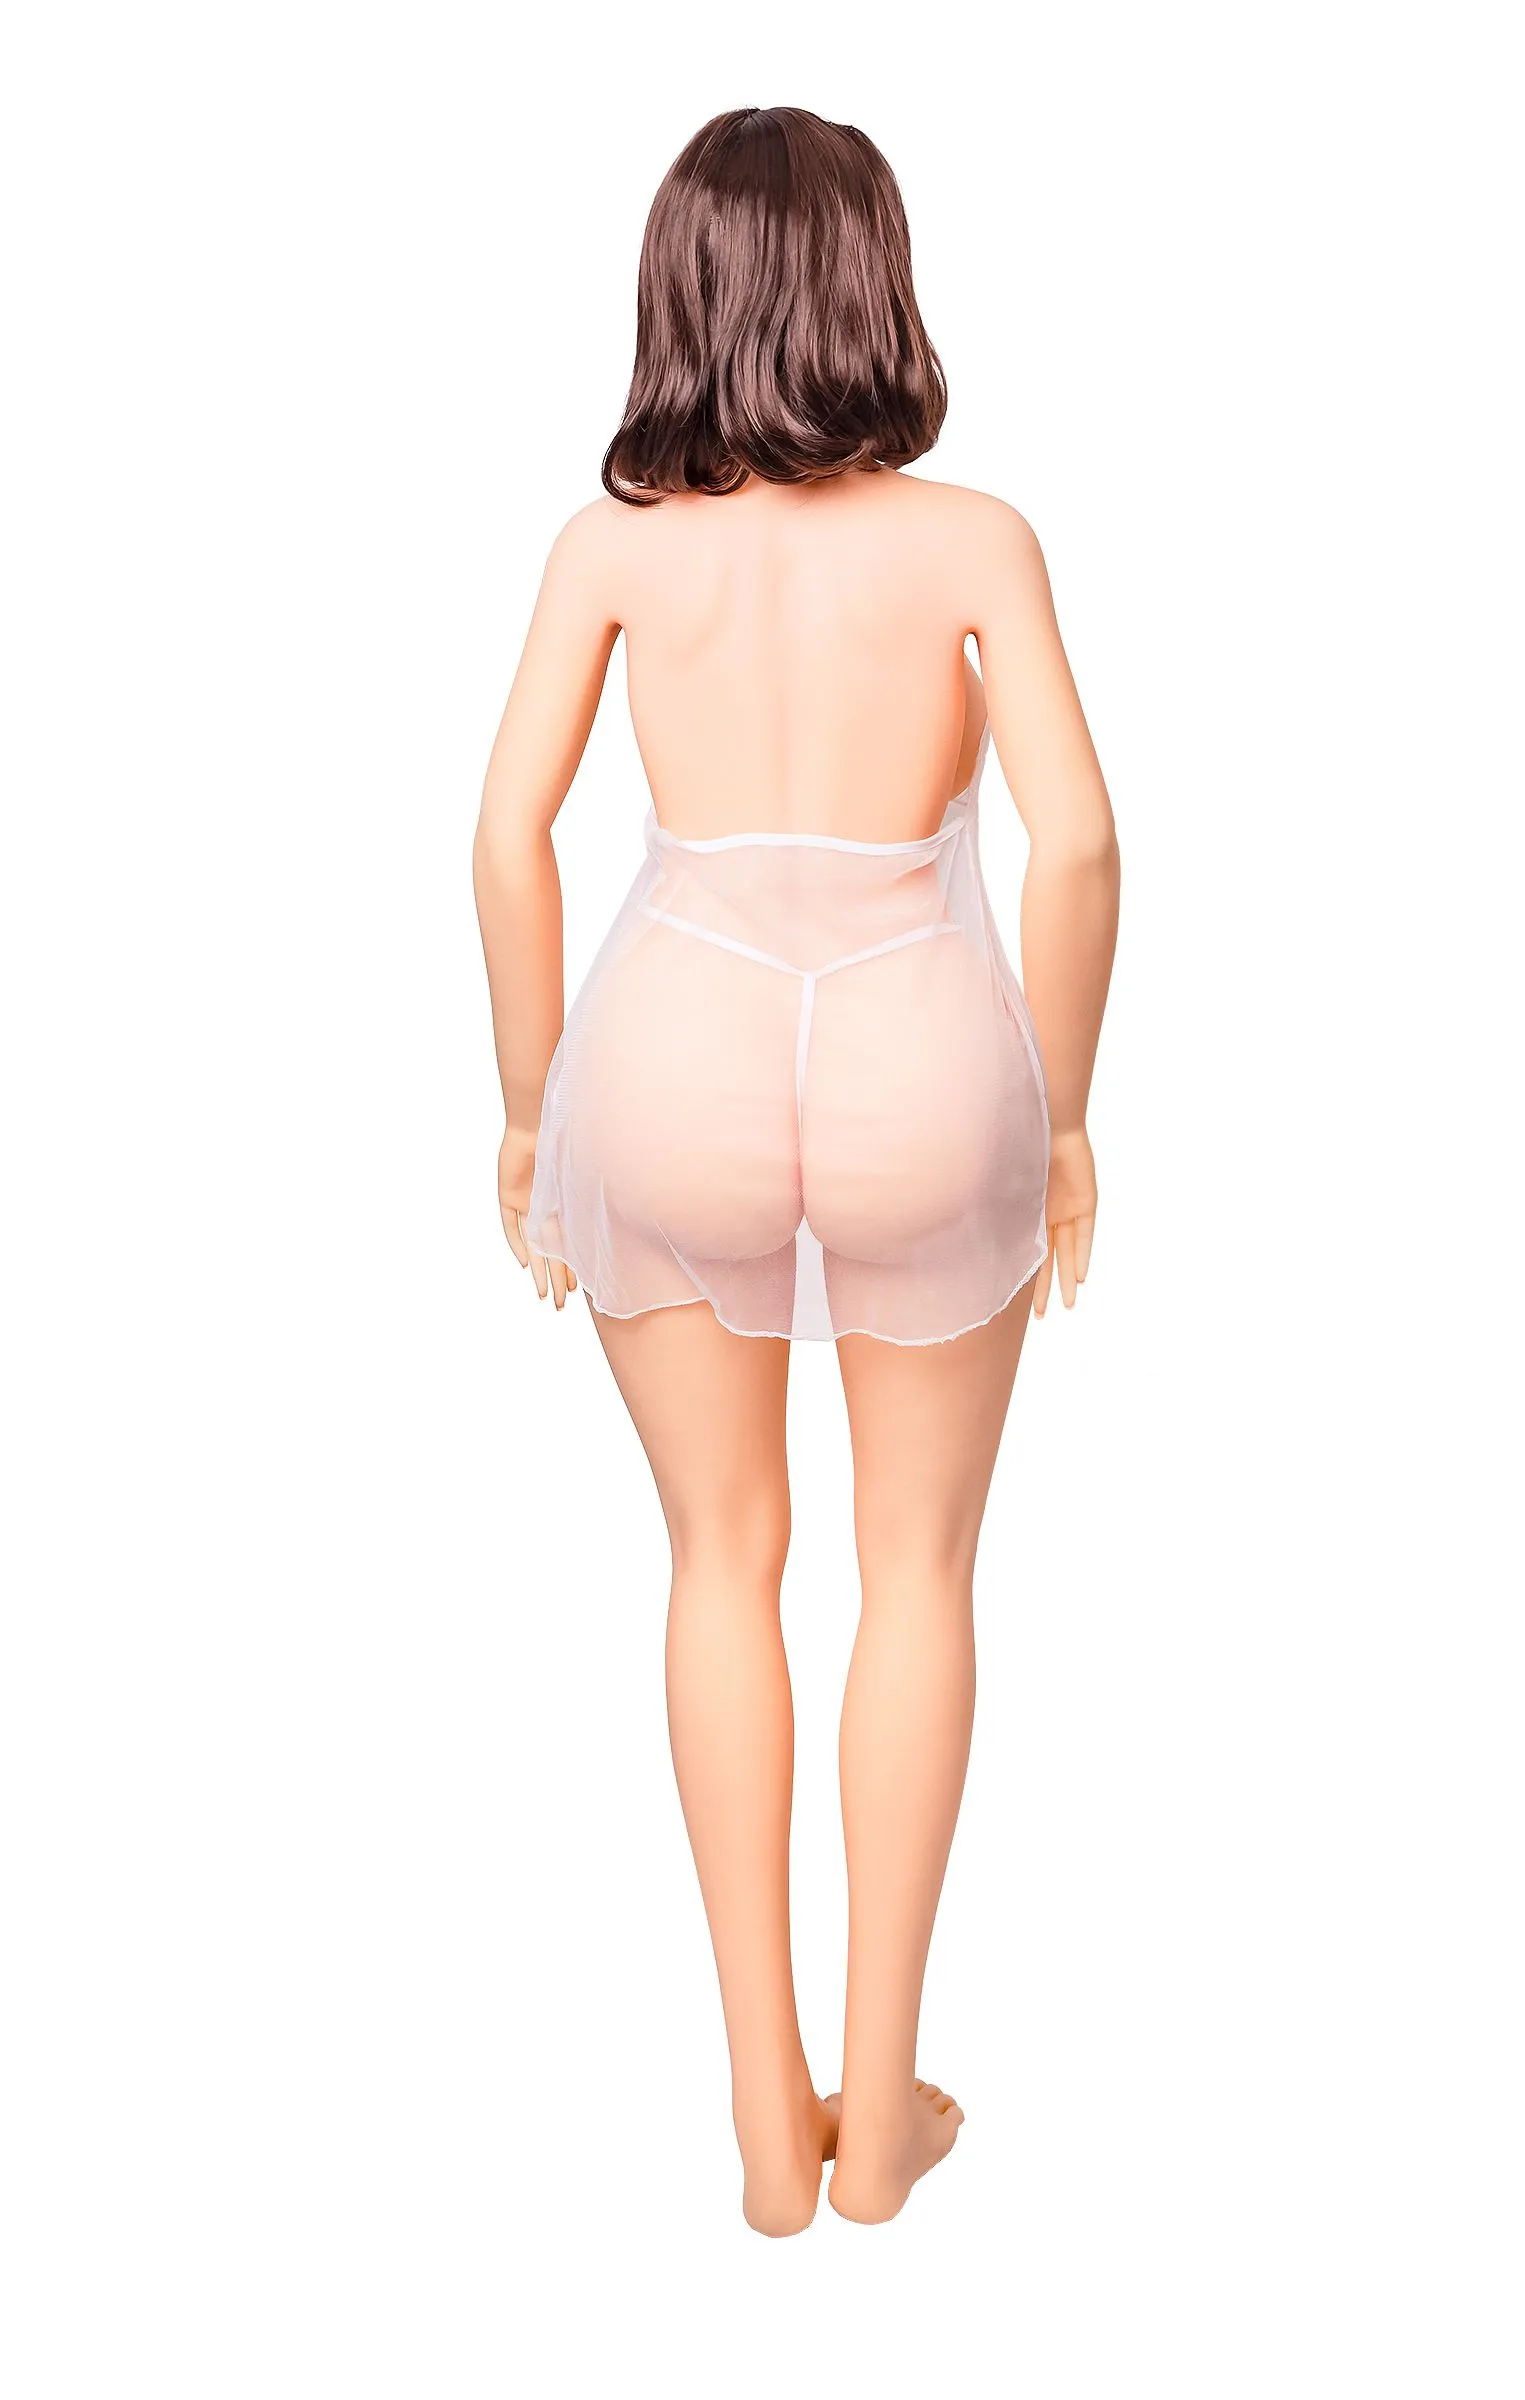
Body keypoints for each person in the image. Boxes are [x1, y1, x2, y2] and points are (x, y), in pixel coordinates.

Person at [473, 105, 1120, 2234]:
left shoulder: (612, 550)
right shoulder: (974, 540)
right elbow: (1079, 842)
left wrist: (525, 1105)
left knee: (717, 1563)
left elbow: (504, 835)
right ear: (875, 285)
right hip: (923, 1048)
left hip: (669, 1044)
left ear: (677, 293)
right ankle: (878, 2117)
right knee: (916, 1570)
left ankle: (768, 2115)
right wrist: (1068, 1114)